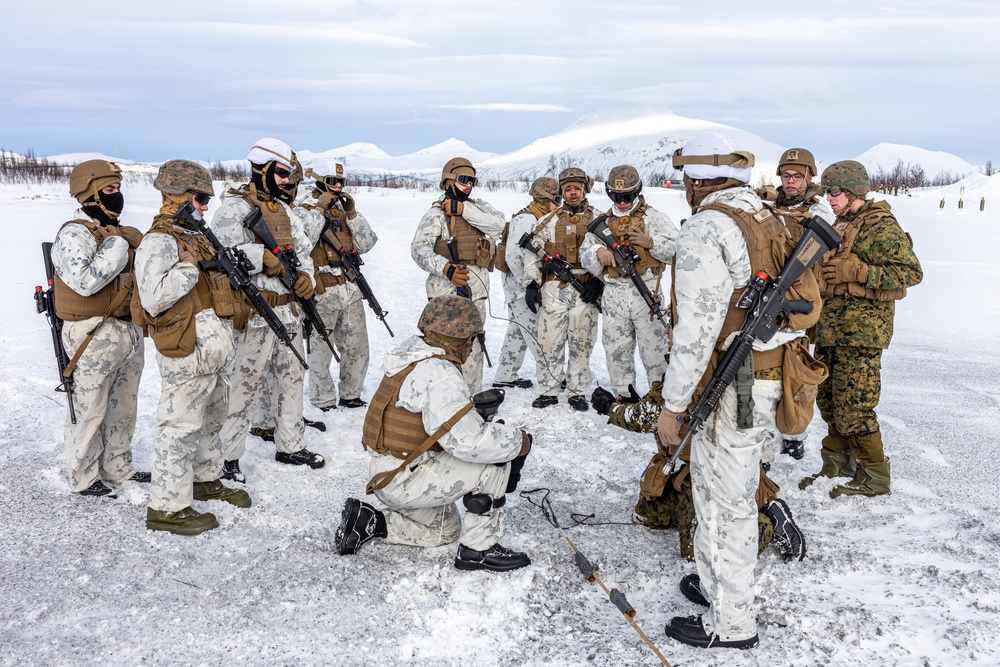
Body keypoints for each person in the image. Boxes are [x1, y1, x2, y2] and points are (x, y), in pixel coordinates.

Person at [656, 131, 821, 650]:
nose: (685, 186)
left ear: (701, 177)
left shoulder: (709, 226)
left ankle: (732, 624)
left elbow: (696, 332)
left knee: (726, 501)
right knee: (711, 488)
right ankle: (715, 587)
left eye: (688, 177)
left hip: (735, 384)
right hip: (759, 377)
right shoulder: (766, 216)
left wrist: (673, 405)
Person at [335, 295, 532, 572]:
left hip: (389, 473)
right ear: (461, 339)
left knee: (444, 530)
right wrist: (518, 441)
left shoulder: (413, 356)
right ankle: (479, 550)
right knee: (494, 457)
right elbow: (468, 442)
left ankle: (368, 521)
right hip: (406, 478)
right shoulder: (439, 373)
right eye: (471, 339)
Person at [134, 160, 253, 535]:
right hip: (186, 347)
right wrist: (189, 269)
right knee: (179, 426)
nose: (205, 207)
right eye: (200, 199)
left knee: (213, 416)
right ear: (176, 196)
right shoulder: (159, 240)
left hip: (210, 347)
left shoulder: (193, 236)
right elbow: (153, 298)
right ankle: (167, 507)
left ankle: (204, 479)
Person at [800, 160, 922, 497]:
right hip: (830, 329)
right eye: (826, 191)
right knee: (828, 398)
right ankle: (837, 463)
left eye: (835, 191)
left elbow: (910, 273)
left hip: (861, 333)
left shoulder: (881, 226)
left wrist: (859, 273)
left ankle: (875, 476)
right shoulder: (839, 224)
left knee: (855, 404)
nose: (830, 197)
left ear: (853, 190)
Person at [208, 138, 324, 484]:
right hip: (254, 316)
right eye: (282, 174)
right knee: (243, 386)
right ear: (261, 170)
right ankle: (226, 457)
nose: (287, 181)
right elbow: (223, 256)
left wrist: (306, 278)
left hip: (288, 314)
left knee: (292, 379)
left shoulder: (283, 211)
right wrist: (262, 258)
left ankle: (290, 443)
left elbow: (303, 249)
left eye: (290, 175)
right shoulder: (231, 209)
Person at [591, 382, 805, 564]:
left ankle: (766, 522)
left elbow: (645, 416)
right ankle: (694, 515)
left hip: (714, 477)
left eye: (671, 330)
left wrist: (610, 408)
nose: (667, 333)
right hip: (691, 472)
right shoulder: (686, 366)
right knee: (648, 513)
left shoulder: (690, 372)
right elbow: (654, 411)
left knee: (698, 554)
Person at [50, 159, 148, 498]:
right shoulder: (73, 234)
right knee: (89, 409)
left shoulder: (116, 233)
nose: (117, 196)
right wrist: (119, 244)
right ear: (89, 194)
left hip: (126, 329)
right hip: (92, 334)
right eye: (109, 190)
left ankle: (118, 467)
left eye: (118, 189)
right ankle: (84, 475)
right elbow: (86, 282)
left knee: (125, 405)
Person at [761, 148, 834, 462]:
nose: (790, 182)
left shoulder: (821, 215)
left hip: (804, 299)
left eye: (797, 176)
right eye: (786, 175)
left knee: (796, 372)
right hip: (768, 297)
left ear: (809, 178)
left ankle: (795, 434)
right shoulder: (766, 208)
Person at [410, 157, 506, 392]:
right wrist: (446, 268)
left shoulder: (480, 208)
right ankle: (441, 400)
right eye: (463, 180)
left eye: (472, 181)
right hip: (446, 293)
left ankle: (470, 400)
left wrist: (465, 210)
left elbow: (499, 226)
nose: (468, 185)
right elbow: (418, 249)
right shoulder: (436, 215)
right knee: (442, 347)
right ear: (449, 181)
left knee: (473, 349)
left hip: (476, 293)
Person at [581, 165, 677, 398]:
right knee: (617, 350)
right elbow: (585, 256)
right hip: (614, 294)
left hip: (646, 294)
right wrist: (597, 253)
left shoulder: (655, 218)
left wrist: (651, 243)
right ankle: (623, 398)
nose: (622, 203)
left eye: (627, 197)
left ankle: (661, 398)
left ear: (637, 192)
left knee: (655, 351)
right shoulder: (601, 222)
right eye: (616, 197)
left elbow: (678, 251)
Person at [298, 157, 379, 410]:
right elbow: (303, 242)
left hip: (349, 286)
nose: (337, 187)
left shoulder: (344, 211)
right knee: (320, 348)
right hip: (321, 289)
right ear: (320, 182)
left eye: (341, 182)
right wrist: (320, 210)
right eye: (332, 182)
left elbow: (367, 243)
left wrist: (352, 214)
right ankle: (322, 400)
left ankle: (351, 393)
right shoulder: (304, 208)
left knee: (357, 344)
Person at [523, 167, 603, 411]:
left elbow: (611, 254)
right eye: (567, 189)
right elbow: (531, 253)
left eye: (577, 188)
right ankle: (548, 390)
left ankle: (577, 391)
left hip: (586, 287)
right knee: (549, 342)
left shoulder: (600, 218)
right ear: (562, 192)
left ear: (585, 189)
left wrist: (599, 281)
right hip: (554, 289)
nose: (572, 193)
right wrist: (531, 283)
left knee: (582, 342)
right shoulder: (548, 220)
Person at [491, 177, 560, 389]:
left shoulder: (541, 219)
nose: (559, 204)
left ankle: (505, 375)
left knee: (517, 332)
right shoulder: (526, 220)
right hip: (520, 288)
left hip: (522, 286)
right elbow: (513, 257)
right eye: (556, 198)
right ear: (544, 199)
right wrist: (530, 285)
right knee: (537, 334)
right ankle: (552, 378)